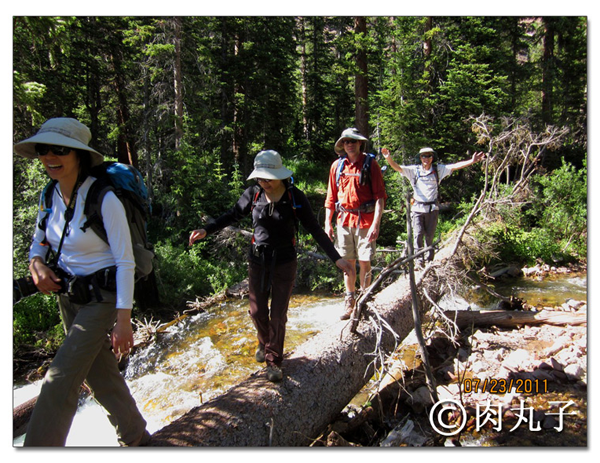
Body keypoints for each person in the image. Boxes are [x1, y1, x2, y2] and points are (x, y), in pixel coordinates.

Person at [14, 118, 149, 446]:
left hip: (103, 297)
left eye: (59, 149)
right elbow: (39, 243)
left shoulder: (104, 199)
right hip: (68, 299)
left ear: (78, 155)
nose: (49, 156)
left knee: (58, 382)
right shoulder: (50, 196)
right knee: (100, 376)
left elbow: (126, 261)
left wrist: (123, 319)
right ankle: (137, 438)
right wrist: (36, 264)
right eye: (44, 149)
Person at [189, 150, 353, 382]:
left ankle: (273, 361)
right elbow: (233, 214)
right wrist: (208, 229)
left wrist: (336, 258)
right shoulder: (253, 194)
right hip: (258, 261)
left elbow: (315, 229)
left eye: (267, 178)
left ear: (279, 175)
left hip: (285, 262)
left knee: (277, 315)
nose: (263, 182)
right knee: (257, 312)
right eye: (260, 177)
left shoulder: (295, 197)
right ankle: (264, 341)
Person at [382, 146, 486, 265]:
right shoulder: (414, 170)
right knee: (418, 235)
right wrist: (388, 158)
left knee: (429, 236)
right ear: (420, 158)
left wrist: (472, 161)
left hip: (432, 208)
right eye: (423, 156)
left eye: (429, 156)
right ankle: (419, 261)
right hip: (417, 209)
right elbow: (398, 168)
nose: (426, 158)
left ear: (432, 158)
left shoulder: (438, 170)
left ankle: (429, 259)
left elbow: (455, 166)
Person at [324, 128, 387, 321]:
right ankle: (350, 301)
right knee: (347, 263)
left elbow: (380, 197)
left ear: (360, 143)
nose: (349, 144)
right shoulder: (337, 166)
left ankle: (364, 300)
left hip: (366, 222)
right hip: (343, 221)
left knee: (365, 262)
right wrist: (328, 223)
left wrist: (376, 223)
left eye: (353, 141)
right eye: (346, 141)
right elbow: (330, 197)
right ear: (342, 145)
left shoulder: (371, 165)